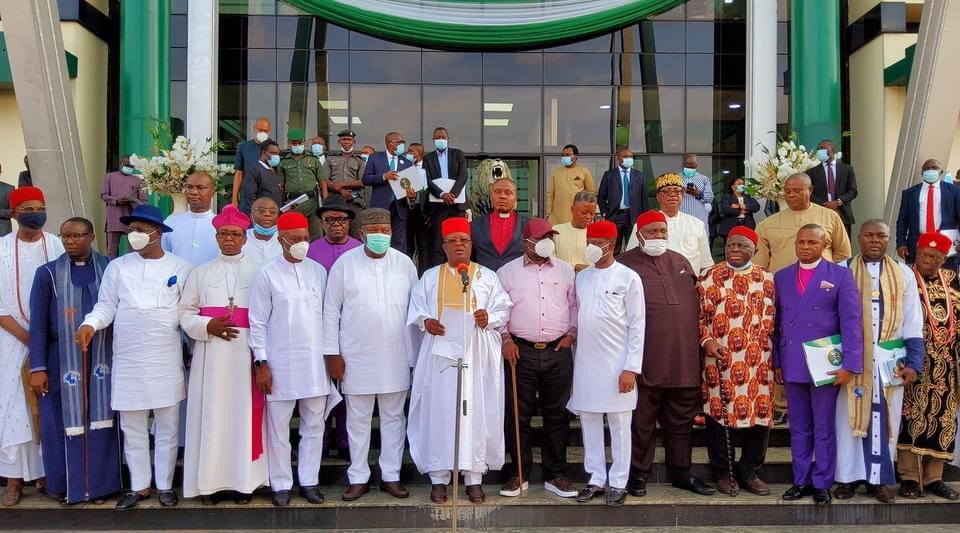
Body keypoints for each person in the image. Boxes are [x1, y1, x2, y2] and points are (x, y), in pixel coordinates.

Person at [76, 204, 193, 510]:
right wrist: (90, 324)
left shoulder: (180, 268)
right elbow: (106, 306)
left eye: (141, 230)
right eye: (132, 230)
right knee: (133, 426)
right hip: (128, 358)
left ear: (157, 233)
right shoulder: (118, 267)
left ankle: (165, 485)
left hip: (165, 357)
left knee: (168, 427)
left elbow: (188, 312)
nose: (135, 235)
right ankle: (139, 485)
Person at [406, 217, 512, 504]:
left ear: (471, 245)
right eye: (452, 241)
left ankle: (474, 478)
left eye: (463, 241)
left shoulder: (486, 277)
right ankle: (439, 478)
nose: (458, 246)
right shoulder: (429, 277)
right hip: (440, 358)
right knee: (440, 413)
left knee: (474, 412)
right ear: (443, 246)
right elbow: (415, 311)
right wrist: (426, 321)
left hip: (476, 357)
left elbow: (503, 307)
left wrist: (488, 316)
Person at [323, 208, 419, 502]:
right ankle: (358, 476)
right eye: (375, 232)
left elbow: (415, 312)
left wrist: (415, 358)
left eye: (386, 231)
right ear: (362, 234)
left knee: (393, 418)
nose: (381, 236)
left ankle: (391, 475)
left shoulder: (404, 264)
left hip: (396, 355)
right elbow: (330, 311)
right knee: (357, 420)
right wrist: (332, 353)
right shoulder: (344, 264)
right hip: (355, 356)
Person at [619, 210, 715, 498]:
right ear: (639, 234)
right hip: (644, 361)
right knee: (641, 424)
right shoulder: (624, 265)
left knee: (681, 424)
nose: (659, 236)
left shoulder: (682, 261)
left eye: (662, 231)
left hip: (684, 360)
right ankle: (638, 475)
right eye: (652, 232)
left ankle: (681, 472)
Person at [248, 212, 341, 507]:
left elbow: (329, 318)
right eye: (295, 239)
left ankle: (310, 481)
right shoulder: (266, 274)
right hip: (280, 364)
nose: (301, 243)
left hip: (314, 364)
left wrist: (331, 356)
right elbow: (258, 323)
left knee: (314, 426)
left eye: (304, 238)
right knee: (278, 429)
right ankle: (281, 484)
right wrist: (261, 363)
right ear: (281, 240)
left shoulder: (318, 271)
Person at [28, 218, 121, 505]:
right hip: (61, 360)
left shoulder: (110, 268)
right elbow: (39, 325)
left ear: (91, 237)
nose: (70, 241)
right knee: (60, 423)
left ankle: (102, 487)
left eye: (77, 236)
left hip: (103, 358)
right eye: (65, 236)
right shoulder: (48, 274)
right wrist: (38, 368)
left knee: (103, 420)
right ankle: (67, 486)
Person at [178, 205, 268, 504]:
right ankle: (210, 485)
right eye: (224, 234)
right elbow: (185, 313)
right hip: (211, 357)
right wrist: (208, 325)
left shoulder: (260, 270)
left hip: (247, 355)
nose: (229, 239)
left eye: (236, 234)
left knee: (243, 417)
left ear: (245, 238)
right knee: (212, 416)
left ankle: (244, 483)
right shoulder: (200, 272)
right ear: (216, 237)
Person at [833, 219, 923, 503]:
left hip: (888, 362)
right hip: (852, 363)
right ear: (859, 238)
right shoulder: (842, 270)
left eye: (881, 236)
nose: (875, 240)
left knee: (886, 419)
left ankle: (879, 481)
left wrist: (914, 362)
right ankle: (847, 479)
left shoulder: (904, 273)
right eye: (869, 235)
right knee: (847, 422)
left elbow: (913, 321)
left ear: (889, 239)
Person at [773, 224, 863, 505]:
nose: (805, 247)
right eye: (801, 242)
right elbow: (775, 325)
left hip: (826, 362)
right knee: (798, 425)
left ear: (824, 245)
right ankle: (801, 480)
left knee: (824, 425)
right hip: (792, 361)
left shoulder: (840, 275)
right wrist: (777, 360)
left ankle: (822, 481)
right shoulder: (782, 276)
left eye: (812, 242)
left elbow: (851, 322)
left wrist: (851, 363)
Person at [497, 218, 578, 499]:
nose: (548, 242)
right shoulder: (506, 273)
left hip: (558, 351)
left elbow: (575, 306)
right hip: (520, 352)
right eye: (542, 237)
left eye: (551, 237)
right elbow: (498, 311)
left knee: (557, 415)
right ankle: (518, 474)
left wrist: (571, 334)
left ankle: (556, 474)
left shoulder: (566, 270)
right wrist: (505, 339)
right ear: (526, 242)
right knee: (518, 416)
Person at [567, 220, 645, 507]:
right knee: (588, 421)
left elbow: (638, 325)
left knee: (620, 424)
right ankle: (596, 478)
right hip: (586, 363)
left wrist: (631, 368)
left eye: (596, 242)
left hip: (617, 365)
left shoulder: (628, 277)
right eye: (588, 240)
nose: (590, 247)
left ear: (611, 245)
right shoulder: (583, 278)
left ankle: (619, 482)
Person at [697, 225, 775, 496]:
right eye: (731, 244)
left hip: (759, 362)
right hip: (719, 360)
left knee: (759, 416)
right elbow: (697, 317)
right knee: (719, 416)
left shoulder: (767, 279)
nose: (735, 249)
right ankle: (724, 472)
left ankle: (750, 471)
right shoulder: (708, 277)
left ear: (754, 249)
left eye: (742, 245)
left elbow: (777, 320)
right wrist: (707, 341)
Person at [0, 187, 63, 506]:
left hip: (51, 339)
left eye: (39, 206)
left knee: (47, 407)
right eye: (27, 208)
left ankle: (44, 473)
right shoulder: (0, 250)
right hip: (11, 339)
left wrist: (43, 338)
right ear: (14, 214)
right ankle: (13, 481)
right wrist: (29, 337)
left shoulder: (56, 245)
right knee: (14, 408)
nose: (35, 212)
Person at [897, 231, 960, 500]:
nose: (928, 260)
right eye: (924, 254)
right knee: (910, 417)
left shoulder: (954, 281)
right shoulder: (903, 278)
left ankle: (934, 478)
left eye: (935, 257)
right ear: (916, 252)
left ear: (944, 259)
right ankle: (910, 478)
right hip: (912, 361)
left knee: (942, 419)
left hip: (947, 365)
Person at [754, 172, 852, 274]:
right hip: (781, 285)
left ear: (810, 190)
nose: (791, 195)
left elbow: (843, 254)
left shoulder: (830, 216)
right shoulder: (767, 224)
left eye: (796, 191)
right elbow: (759, 262)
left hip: (823, 283)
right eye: (787, 192)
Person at [625, 173, 714, 274]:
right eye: (666, 192)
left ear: (683, 195)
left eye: (677, 191)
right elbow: (630, 259)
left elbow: (706, 265)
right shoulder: (644, 225)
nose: (672, 195)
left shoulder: (697, 224)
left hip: (689, 285)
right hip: (655, 283)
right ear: (658, 197)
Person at [895, 159, 960, 270]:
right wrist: (901, 243)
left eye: (934, 168)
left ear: (941, 172)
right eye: (927, 169)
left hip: (946, 244)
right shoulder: (909, 193)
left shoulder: (954, 191)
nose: (930, 171)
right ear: (922, 173)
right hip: (917, 243)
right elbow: (902, 220)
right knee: (918, 281)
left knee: (947, 281)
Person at [361, 131, 417, 253]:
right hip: (380, 206)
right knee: (379, 238)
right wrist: (383, 176)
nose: (402, 145)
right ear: (390, 143)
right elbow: (366, 179)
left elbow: (411, 186)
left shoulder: (407, 162)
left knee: (399, 242)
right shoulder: (375, 158)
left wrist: (411, 197)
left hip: (400, 207)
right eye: (400, 142)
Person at [424, 127, 469, 266]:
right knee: (438, 242)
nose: (440, 140)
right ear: (433, 140)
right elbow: (427, 179)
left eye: (443, 137)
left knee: (458, 240)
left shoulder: (458, 154)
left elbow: (463, 175)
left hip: (457, 205)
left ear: (448, 139)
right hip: (437, 207)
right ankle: (438, 276)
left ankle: (458, 270)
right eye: (437, 138)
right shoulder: (428, 158)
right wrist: (442, 194)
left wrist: (453, 194)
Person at [470, 177, 529, 271]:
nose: (502, 196)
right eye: (497, 191)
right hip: (484, 281)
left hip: (517, 281)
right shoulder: (474, 226)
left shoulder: (528, 226)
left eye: (508, 192)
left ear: (516, 198)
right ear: (491, 196)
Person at [162, 171, 218, 267]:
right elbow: (163, 257)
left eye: (200, 188)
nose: (193, 192)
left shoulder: (221, 225)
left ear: (212, 192)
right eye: (189, 187)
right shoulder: (170, 222)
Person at [278, 128, 326, 239]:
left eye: (300, 143)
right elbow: (281, 186)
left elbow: (322, 183)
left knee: (316, 235)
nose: (297, 145)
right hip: (293, 204)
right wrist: (281, 205)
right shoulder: (283, 162)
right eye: (294, 143)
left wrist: (325, 201)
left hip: (312, 203)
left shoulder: (313, 159)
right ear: (289, 143)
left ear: (304, 142)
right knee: (294, 235)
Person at [597, 148, 647, 253]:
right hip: (615, 216)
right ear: (618, 158)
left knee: (633, 247)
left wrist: (644, 217)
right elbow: (601, 197)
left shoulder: (639, 175)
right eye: (626, 157)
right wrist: (605, 213)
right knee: (614, 248)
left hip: (634, 216)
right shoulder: (609, 175)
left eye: (631, 157)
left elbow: (644, 198)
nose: (629, 159)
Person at [100, 155, 147, 257]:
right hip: (114, 216)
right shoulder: (110, 177)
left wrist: (133, 201)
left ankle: (130, 268)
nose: (129, 168)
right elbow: (103, 195)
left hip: (131, 217)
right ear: (121, 164)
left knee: (133, 249)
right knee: (112, 249)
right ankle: (110, 268)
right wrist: (116, 200)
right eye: (126, 165)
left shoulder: (137, 180)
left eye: (131, 166)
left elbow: (144, 200)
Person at [809, 140, 858, 237]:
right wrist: (825, 205)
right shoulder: (811, 172)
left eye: (823, 148)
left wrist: (838, 202)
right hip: (820, 215)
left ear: (833, 150)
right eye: (819, 149)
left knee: (843, 246)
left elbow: (853, 190)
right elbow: (809, 193)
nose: (820, 151)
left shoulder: (847, 169)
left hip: (843, 214)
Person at [306, 194, 362, 271]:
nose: (336, 224)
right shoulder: (311, 250)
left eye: (342, 219)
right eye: (330, 219)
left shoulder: (360, 249)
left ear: (348, 222)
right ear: (322, 223)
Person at [328, 129, 367, 237]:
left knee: (356, 234)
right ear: (339, 141)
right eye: (343, 139)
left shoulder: (360, 161)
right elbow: (325, 180)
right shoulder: (330, 159)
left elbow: (363, 181)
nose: (346, 142)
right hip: (335, 201)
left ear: (354, 142)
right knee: (336, 233)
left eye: (349, 140)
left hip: (355, 202)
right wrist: (340, 190)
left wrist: (341, 185)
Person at [545, 144, 596, 225]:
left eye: (567, 155)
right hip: (558, 217)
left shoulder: (584, 171)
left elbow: (591, 193)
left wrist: (589, 213)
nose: (565, 157)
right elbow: (550, 194)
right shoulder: (556, 172)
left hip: (577, 216)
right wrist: (548, 212)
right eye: (563, 155)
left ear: (575, 156)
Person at [232, 117, 272, 206]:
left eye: (266, 131)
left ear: (270, 131)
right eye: (260, 130)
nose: (263, 133)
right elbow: (239, 174)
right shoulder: (243, 147)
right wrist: (234, 199)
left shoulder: (273, 148)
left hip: (267, 194)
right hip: (247, 194)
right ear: (254, 129)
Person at [554, 191, 596, 272]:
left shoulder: (598, 235)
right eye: (584, 213)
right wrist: (575, 267)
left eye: (592, 213)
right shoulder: (556, 231)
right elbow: (551, 261)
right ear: (572, 210)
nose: (588, 217)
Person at [405, 143, 432, 272]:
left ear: (419, 153)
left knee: (423, 245)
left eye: (411, 151)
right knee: (408, 244)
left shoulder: (428, 169)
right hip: (406, 210)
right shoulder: (404, 167)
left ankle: (423, 273)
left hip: (422, 211)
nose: (408, 153)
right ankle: (408, 271)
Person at [238, 140, 281, 215]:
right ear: (264, 152)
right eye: (274, 153)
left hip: (273, 216)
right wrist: (256, 214)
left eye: (278, 153)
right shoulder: (254, 170)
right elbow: (249, 196)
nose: (277, 156)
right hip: (261, 217)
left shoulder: (273, 170)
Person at [678, 154, 714, 238]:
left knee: (700, 246)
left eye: (693, 167)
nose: (690, 169)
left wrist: (698, 194)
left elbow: (710, 198)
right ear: (683, 164)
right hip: (680, 220)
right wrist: (679, 191)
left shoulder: (704, 179)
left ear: (697, 165)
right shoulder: (676, 178)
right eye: (688, 166)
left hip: (699, 219)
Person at [241, 197, 283, 266]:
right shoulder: (240, 238)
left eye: (272, 212)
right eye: (261, 211)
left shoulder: (285, 240)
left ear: (278, 218)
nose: (267, 214)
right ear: (251, 217)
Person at [717, 177, 760, 243]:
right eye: (739, 184)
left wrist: (741, 206)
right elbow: (726, 210)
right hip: (731, 227)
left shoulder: (748, 197)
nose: (742, 186)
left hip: (747, 225)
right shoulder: (727, 197)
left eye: (743, 184)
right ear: (733, 187)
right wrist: (744, 211)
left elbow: (756, 207)